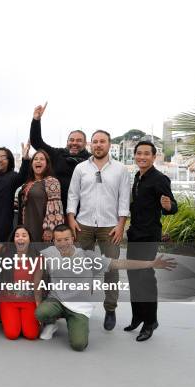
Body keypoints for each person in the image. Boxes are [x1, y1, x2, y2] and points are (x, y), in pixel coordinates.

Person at [34, 225, 176, 351]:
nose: (63, 244)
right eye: (58, 240)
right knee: (40, 312)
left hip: (78, 307)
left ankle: (76, 323)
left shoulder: (87, 257)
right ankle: (51, 323)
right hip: (57, 301)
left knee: (79, 345)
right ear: (53, 241)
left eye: (66, 239)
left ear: (73, 239)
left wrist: (150, 263)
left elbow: (119, 264)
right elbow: (36, 276)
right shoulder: (48, 254)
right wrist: (38, 301)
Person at [66, 129, 131, 331]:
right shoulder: (81, 168)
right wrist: (71, 218)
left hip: (110, 226)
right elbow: (73, 195)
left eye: (102, 141)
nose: (98, 145)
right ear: (90, 145)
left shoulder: (120, 169)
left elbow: (124, 199)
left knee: (111, 268)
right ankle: (72, 307)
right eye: (95, 142)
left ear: (109, 144)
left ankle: (110, 308)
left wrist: (121, 225)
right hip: (82, 224)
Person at [125, 141, 177, 341]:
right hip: (135, 234)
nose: (142, 157)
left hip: (149, 236)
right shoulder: (138, 176)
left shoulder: (159, 179)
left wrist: (168, 205)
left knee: (145, 278)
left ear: (154, 157)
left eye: (147, 154)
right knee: (133, 277)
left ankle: (150, 321)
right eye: (139, 153)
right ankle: (138, 316)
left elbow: (172, 207)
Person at [0, 226, 40, 340]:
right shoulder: (6, 251)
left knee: (31, 334)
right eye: (17, 235)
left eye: (24, 235)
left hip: (28, 300)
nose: (20, 238)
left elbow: (37, 284)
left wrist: (39, 308)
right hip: (8, 299)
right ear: (13, 239)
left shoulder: (37, 257)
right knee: (12, 334)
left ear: (30, 239)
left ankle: (24, 320)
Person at [29, 102, 91, 214]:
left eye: (79, 140)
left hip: (84, 212)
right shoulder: (58, 154)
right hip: (57, 210)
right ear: (67, 142)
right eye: (71, 140)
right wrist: (36, 120)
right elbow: (36, 141)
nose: (74, 143)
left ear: (85, 143)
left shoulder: (91, 160)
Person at [18, 146, 64, 243]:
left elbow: (56, 208)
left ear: (47, 164)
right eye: (35, 159)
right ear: (32, 164)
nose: (38, 161)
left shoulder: (51, 181)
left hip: (41, 229)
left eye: (42, 159)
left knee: (41, 255)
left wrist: (49, 229)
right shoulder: (28, 183)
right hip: (25, 228)